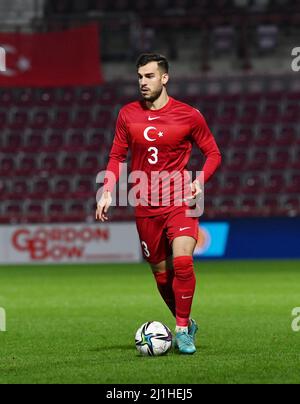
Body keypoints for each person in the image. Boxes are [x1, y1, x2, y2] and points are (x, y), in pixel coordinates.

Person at [96, 53, 221, 354]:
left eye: (149, 76)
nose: (142, 82)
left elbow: (214, 154)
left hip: (180, 201)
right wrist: (108, 190)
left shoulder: (189, 115)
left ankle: (181, 331)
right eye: (139, 76)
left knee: (182, 262)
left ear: (164, 78)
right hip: (145, 205)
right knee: (163, 278)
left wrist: (198, 181)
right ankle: (186, 320)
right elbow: (116, 157)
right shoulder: (127, 114)